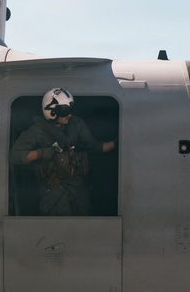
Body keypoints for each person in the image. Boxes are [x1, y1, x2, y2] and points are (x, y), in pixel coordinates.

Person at [10, 88, 116, 216]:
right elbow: (14, 156)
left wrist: (116, 143)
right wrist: (40, 153)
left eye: (69, 110)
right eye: (64, 111)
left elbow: (95, 147)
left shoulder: (76, 125)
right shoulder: (37, 132)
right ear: (52, 112)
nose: (68, 115)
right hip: (55, 193)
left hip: (79, 190)